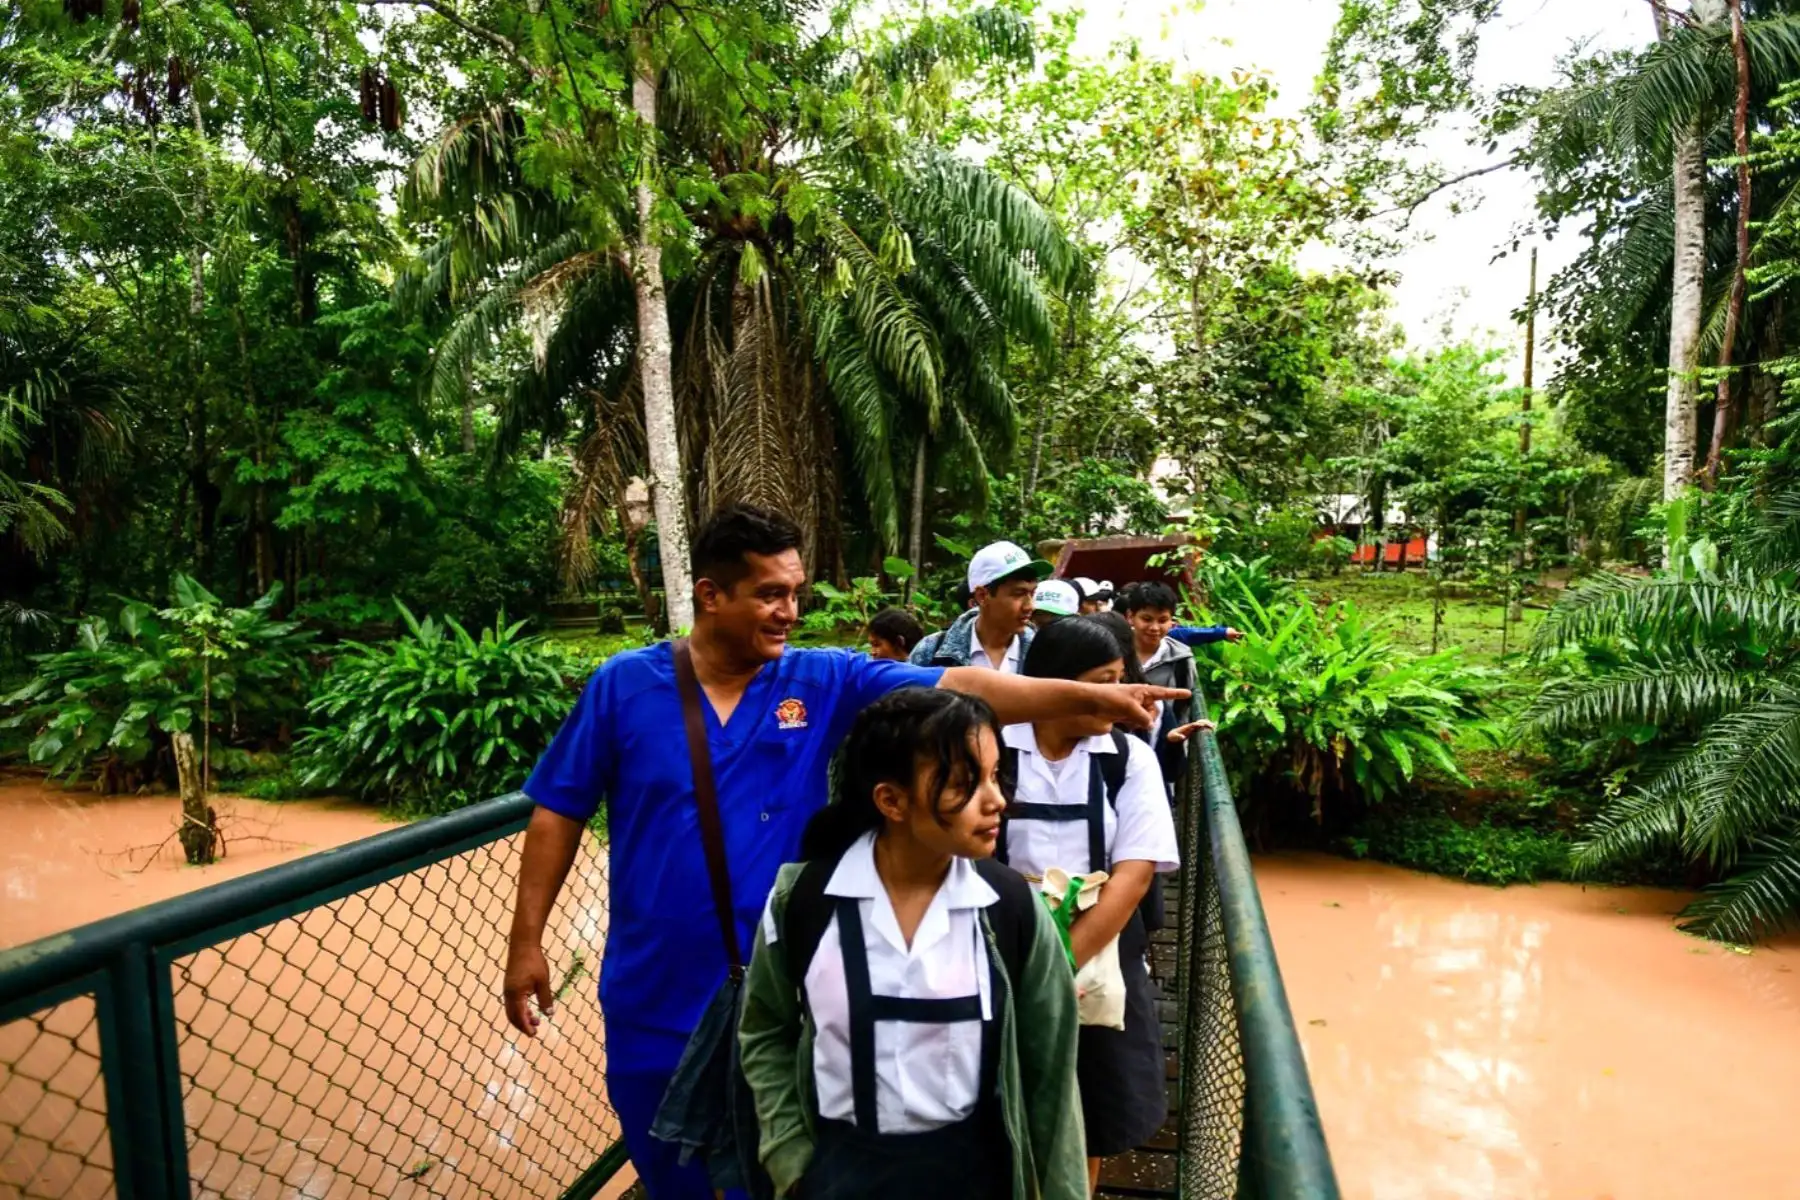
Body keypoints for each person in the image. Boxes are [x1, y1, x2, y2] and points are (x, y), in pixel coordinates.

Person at [504, 505, 1184, 1200]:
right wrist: (527, 939)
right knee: (671, 1173)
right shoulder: (625, 687)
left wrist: (1078, 695)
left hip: (792, 992)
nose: (790, 611)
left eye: (796, 593)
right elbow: (560, 808)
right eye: (770, 594)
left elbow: (958, 689)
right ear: (711, 596)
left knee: (782, 1167)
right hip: (653, 995)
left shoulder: (819, 680)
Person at [737, 689, 1088, 1200]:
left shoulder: (1010, 909)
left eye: (995, 776)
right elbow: (766, 1028)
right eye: (965, 785)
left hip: (974, 1175)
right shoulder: (804, 901)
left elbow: (1051, 1078)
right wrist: (790, 1157)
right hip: (838, 1175)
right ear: (891, 800)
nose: (996, 801)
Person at [993, 618, 1182, 1193]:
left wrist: (1059, 966)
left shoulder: (1127, 759)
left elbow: (1135, 874)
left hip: (1097, 947)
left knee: (1090, 1103)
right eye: (1105, 683)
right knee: (997, 1097)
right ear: (1054, 685)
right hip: (999, 945)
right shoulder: (992, 748)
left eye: (1123, 680)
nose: (1123, 697)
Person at [1120, 582, 1230, 785]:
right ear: (1130, 617)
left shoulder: (1180, 658)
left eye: (1163, 620)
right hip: (1117, 749)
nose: (1154, 628)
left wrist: (1176, 744)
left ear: (1172, 622)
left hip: (1158, 749)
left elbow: (1182, 707)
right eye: (1146, 619)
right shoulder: (1113, 653)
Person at [909, 541, 1052, 671]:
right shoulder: (931, 652)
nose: (1030, 606)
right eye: (1018, 594)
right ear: (982, 596)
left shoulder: (1045, 654)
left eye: (1032, 593)